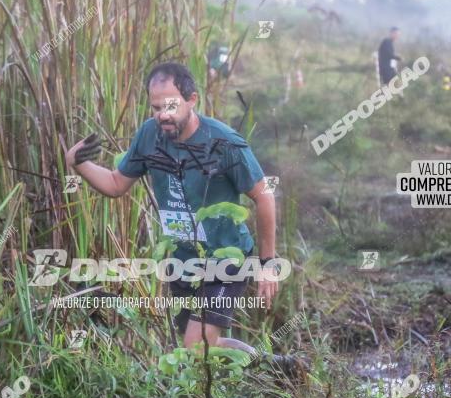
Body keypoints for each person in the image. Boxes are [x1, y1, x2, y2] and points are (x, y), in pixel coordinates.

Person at [64, 62, 305, 375]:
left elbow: (264, 196)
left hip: (225, 258)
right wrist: (77, 164)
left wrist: (268, 265)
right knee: (201, 347)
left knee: (195, 347)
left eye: (171, 106)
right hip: (183, 260)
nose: (163, 115)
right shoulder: (149, 136)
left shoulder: (224, 142)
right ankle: (278, 370)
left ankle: (262, 380)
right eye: (155, 108)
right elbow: (115, 184)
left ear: (192, 100)